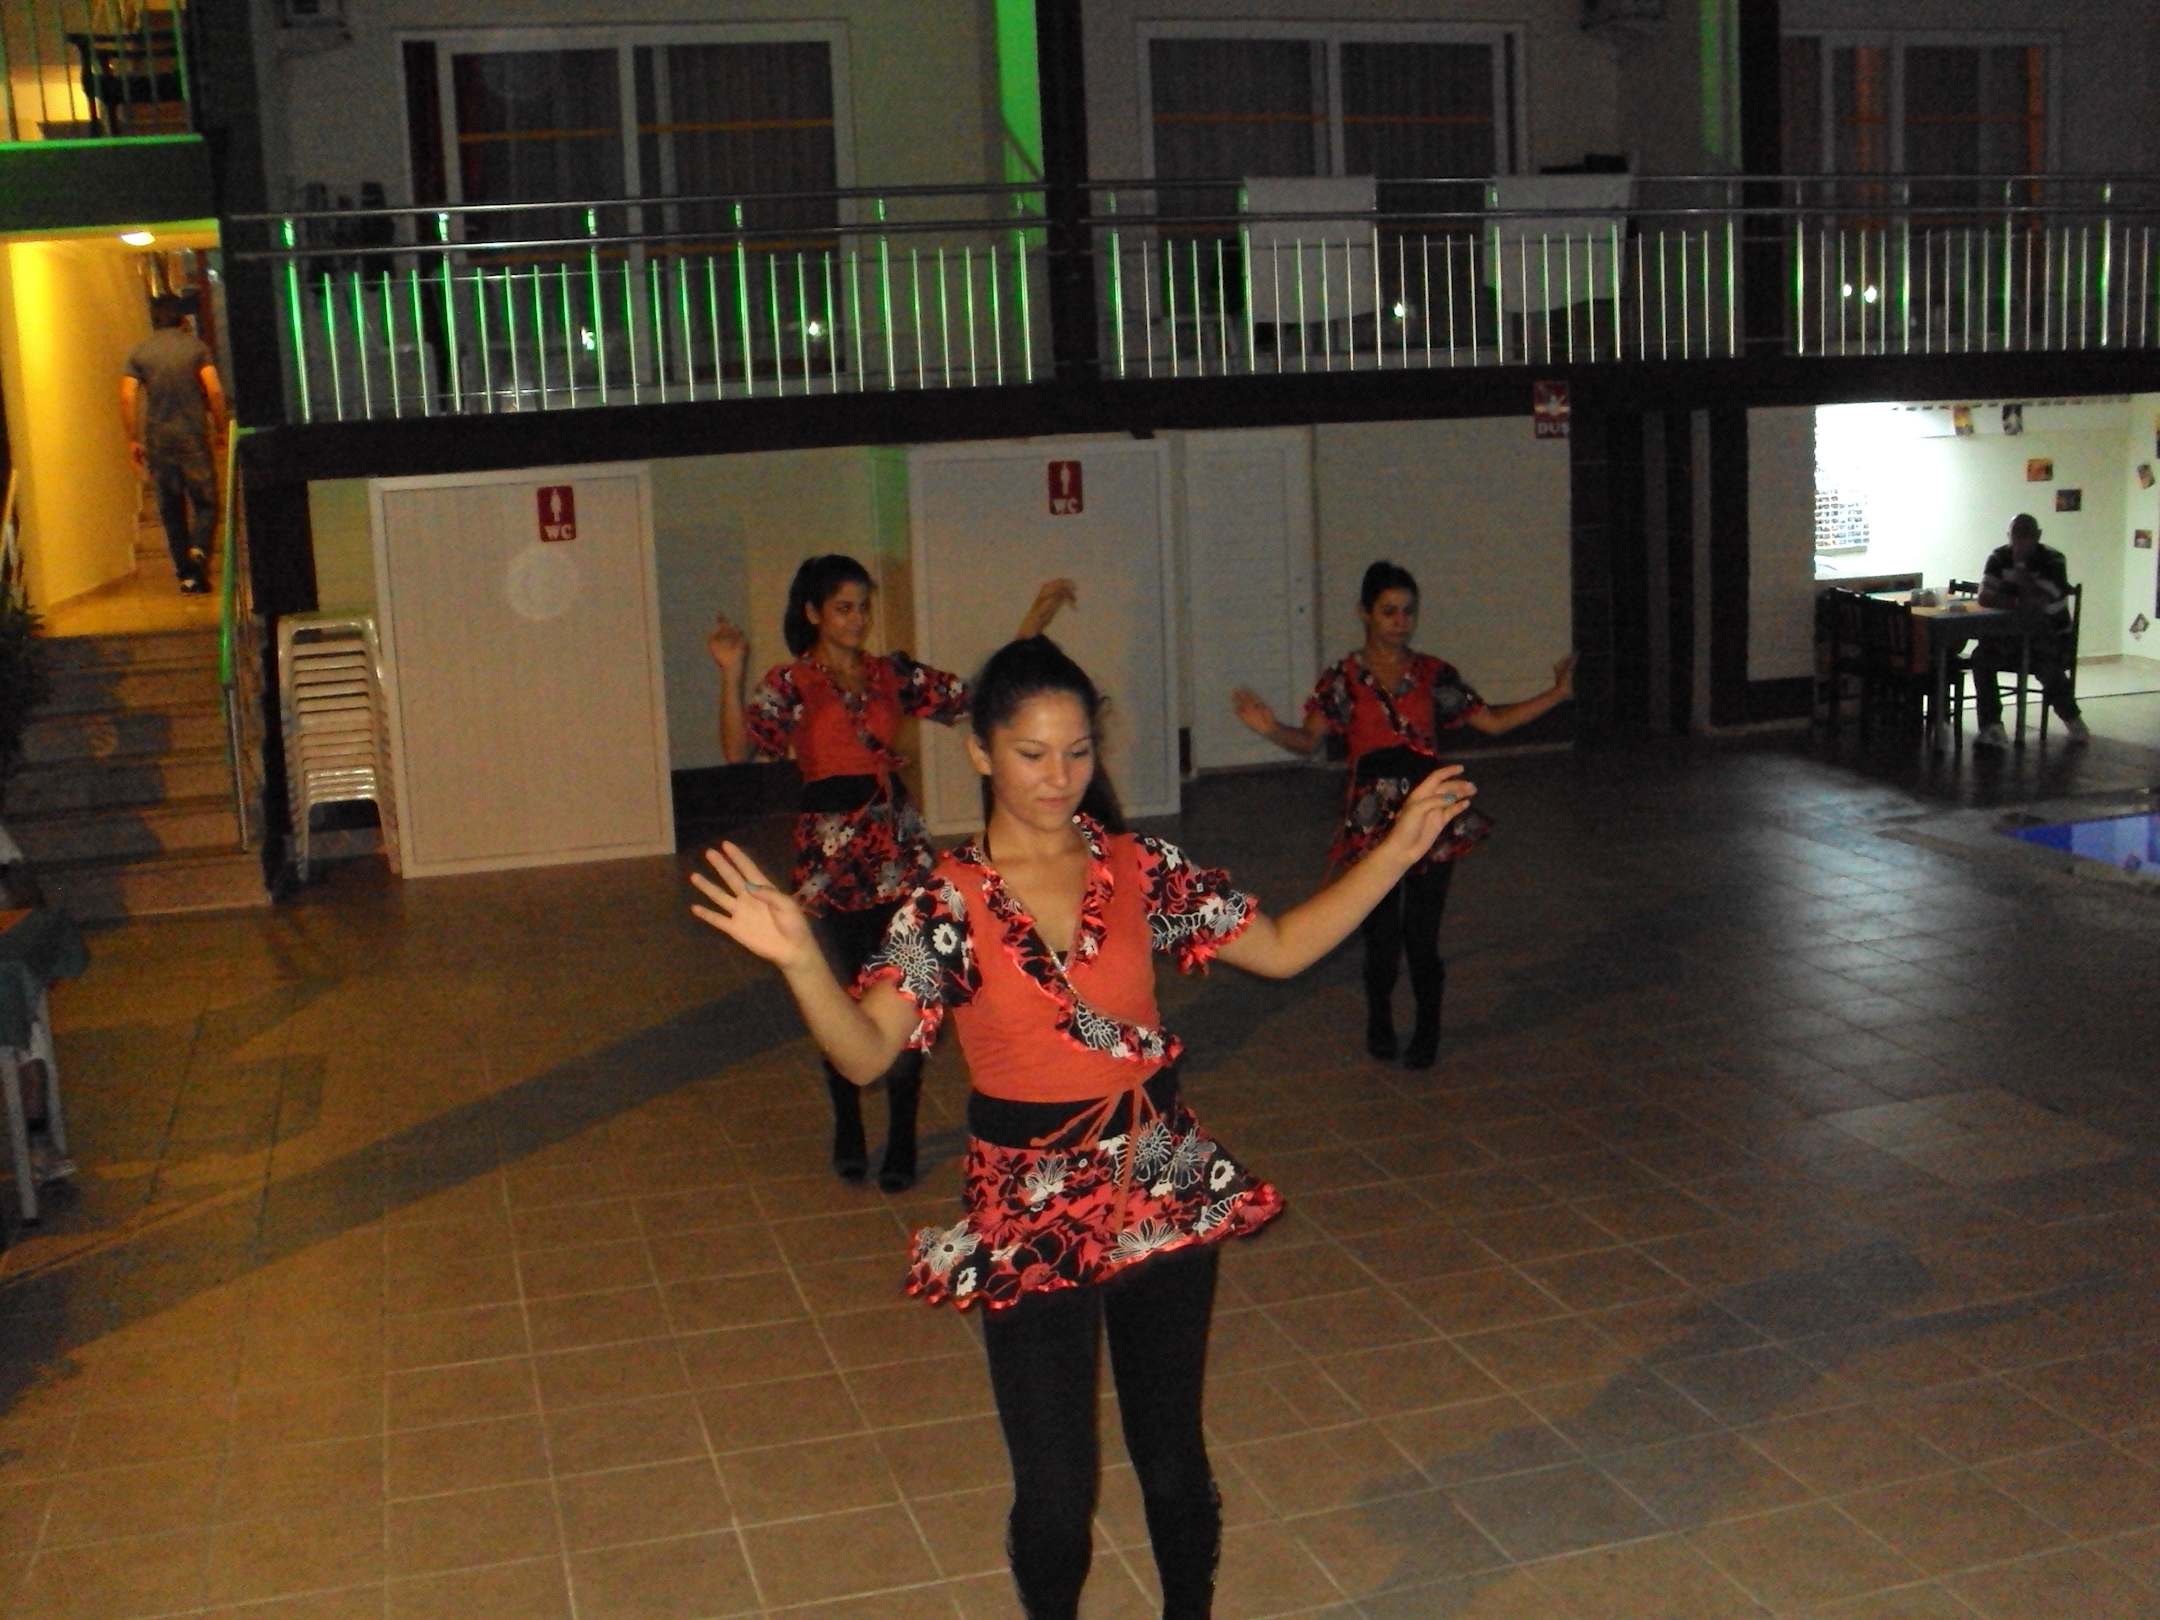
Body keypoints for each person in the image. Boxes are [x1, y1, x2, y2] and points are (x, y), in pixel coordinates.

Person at [691, 635, 1477, 1619]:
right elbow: (865, 1055)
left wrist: (1395, 851)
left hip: (1157, 1172)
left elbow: (1279, 948)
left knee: (1172, 1460)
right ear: (980, 753)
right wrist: (803, 961)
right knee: (1058, 1497)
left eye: (1076, 752)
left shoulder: (1139, 866)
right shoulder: (946, 901)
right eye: (1031, 753)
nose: (1058, 777)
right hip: (1028, 1200)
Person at [708, 558, 1074, 1190]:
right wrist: (730, 670)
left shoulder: (890, 674)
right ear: (813, 613)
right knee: (843, 995)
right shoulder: (791, 681)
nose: (858, 619)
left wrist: (1032, 623)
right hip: (830, 859)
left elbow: (975, 696)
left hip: (897, 851)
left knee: (910, 987)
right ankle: (849, 1123)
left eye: (863, 607)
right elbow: (738, 748)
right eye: (844, 607)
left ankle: (902, 1132)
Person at [1231, 560, 1574, 1069]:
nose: (1400, 621)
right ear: (1365, 613)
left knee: (1422, 933)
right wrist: (1270, 729)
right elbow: (1308, 741)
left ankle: (1428, 1029)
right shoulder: (1344, 679)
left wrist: (1558, 694)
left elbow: (1494, 722)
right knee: (1381, 933)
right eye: (1389, 611)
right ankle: (1381, 1020)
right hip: (1373, 818)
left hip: (1429, 811)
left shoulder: (1433, 675)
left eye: (1408, 611)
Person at [120, 295, 224, 594]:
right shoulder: (196, 348)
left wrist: (133, 438)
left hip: (158, 441)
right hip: (193, 436)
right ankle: (199, 549)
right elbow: (215, 391)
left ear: (154, 320)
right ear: (182, 319)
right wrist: (219, 428)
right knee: (206, 502)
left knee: (171, 509)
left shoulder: (139, 352)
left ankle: (187, 575)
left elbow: (127, 395)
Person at [1972, 513, 2088, 748]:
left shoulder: (2053, 560)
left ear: (2038, 536)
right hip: (2010, 636)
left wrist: (2021, 568)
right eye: (2016, 535)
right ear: (2008, 535)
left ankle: (2072, 718)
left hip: (2052, 635)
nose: (2020, 541)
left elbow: (2040, 600)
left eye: (2027, 535)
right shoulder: (1998, 557)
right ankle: (1992, 726)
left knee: (2046, 664)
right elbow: (1984, 596)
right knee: (1981, 657)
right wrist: (2018, 602)